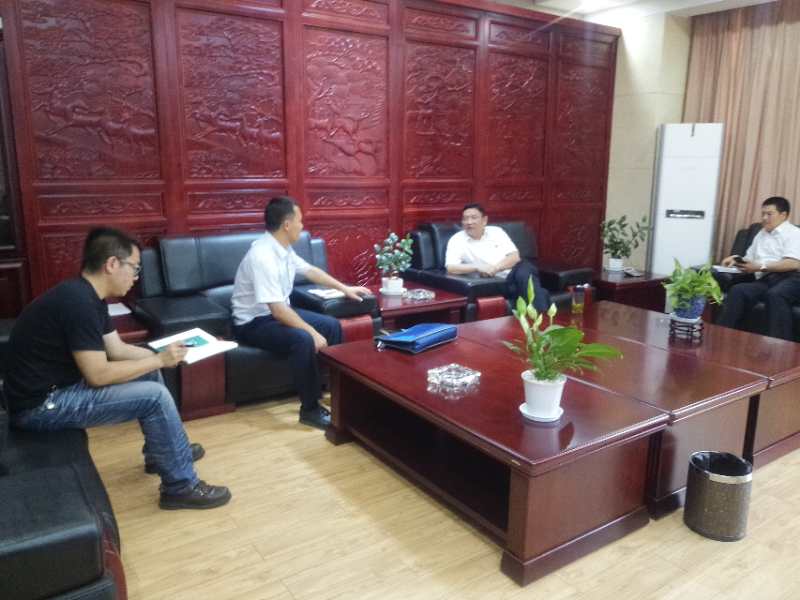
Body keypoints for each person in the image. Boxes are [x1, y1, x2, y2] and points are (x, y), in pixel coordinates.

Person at [5, 227, 231, 510]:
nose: (136, 277)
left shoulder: (88, 296)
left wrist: (166, 354)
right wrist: (159, 360)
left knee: (148, 372)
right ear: (112, 264)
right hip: (39, 406)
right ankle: (180, 487)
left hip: (58, 387)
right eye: (135, 268)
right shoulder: (78, 303)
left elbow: (117, 350)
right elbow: (98, 375)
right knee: (154, 397)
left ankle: (161, 453)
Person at [231, 196, 371, 430]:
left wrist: (344, 288)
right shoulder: (262, 256)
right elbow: (278, 311)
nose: (302, 226)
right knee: (303, 339)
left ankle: (335, 392)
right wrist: (311, 332)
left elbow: (310, 271)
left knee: (332, 326)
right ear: (287, 224)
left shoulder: (283, 249)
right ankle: (310, 409)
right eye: (300, 221)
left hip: (276, 313)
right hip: (252, 323)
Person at [716, 196, 800, 340]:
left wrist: (760, 266)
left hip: (792, 278)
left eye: (769, 214)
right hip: (766, 279)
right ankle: (721, 336)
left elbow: (793, 263)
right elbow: (750, 258)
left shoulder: (794, 233)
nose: (764, 218)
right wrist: (736, 259)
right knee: (738, 290)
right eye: (763, 214)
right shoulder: (761, 233)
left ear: (783, 215)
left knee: (775, 294)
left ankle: (781, 346)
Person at [445, 203, 551, 311]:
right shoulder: (457, 240)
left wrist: (495, 268)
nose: (469, 222)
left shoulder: (496, 232)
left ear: (484, 220)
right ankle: (543, 313)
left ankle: (540, 313)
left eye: (473, 217)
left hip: (515, 268)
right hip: (497, 280)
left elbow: (514, 257)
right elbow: (451, 267)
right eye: (465, 219)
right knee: (530, 288)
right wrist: (477, 266)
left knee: (524, 275)